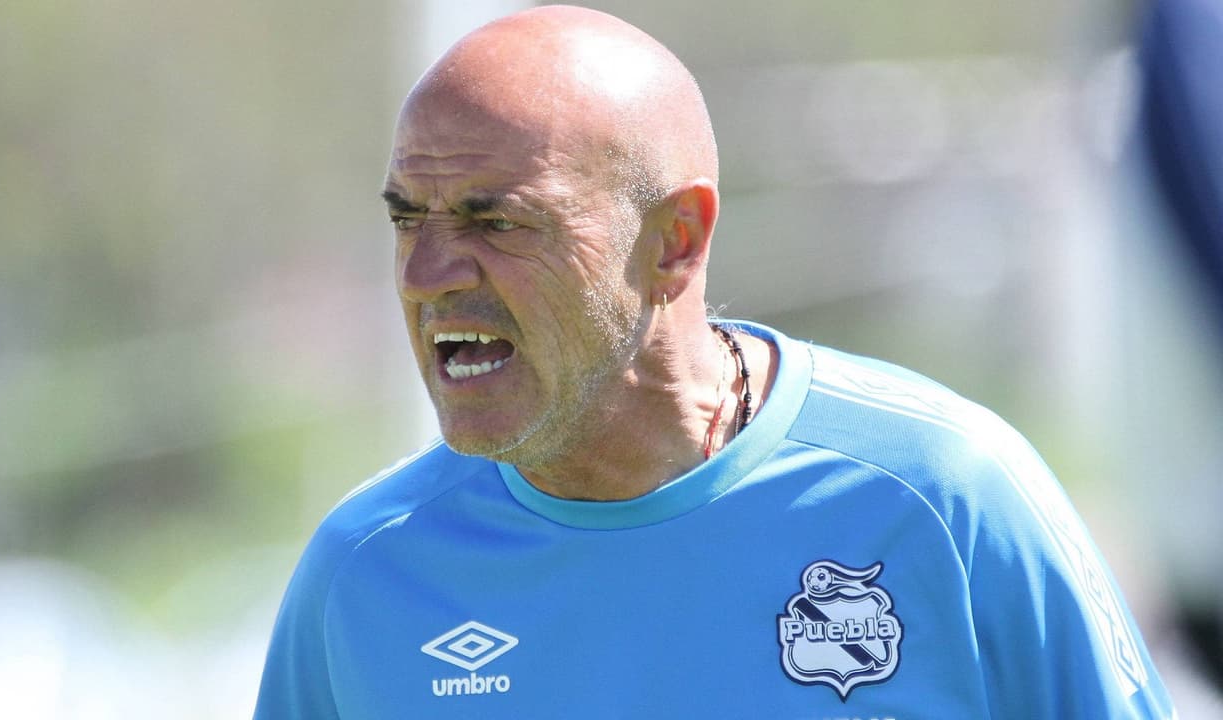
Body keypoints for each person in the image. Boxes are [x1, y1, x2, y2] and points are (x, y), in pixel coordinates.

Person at [253, 5, 1176, 718]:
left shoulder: (945, 498)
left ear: (675, 241)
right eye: (408, 219)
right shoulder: (366, 574)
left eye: (496, 221)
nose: (427, 275)